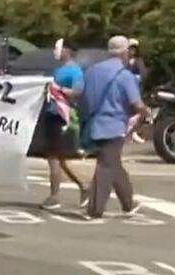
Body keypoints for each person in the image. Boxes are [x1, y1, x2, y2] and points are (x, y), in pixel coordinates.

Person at [81, 36, 146, 219]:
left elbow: (83, 97)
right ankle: (95, 209)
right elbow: (136, 103)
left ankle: (128, 203)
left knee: (112, 162)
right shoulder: (124, 75)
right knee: (106, 166)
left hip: (94, 124)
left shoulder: (92, 71)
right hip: (114, 125)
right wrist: (144, 113)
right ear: (125, 52)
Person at [39, 39, 89, 210]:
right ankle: (84, 187)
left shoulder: (75, 71)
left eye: (58, 48)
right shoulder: (59, 69)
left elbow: (78, 91)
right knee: (58, 159)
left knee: (54, 157)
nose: (56, 52)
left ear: (67, 51)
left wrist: (59, 90)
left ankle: (54, 196)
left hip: (62, 116)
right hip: (52, 114)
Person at [126, 38, 147, 143]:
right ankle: (129, 133)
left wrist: (135, 78)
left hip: (136, 89)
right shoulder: (124, 61)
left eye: (134, 49)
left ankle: (134, 132)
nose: (132, 51)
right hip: (125, 90)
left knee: (138, 111)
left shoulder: (139, 61)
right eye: (130, 49)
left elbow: (143, 74)